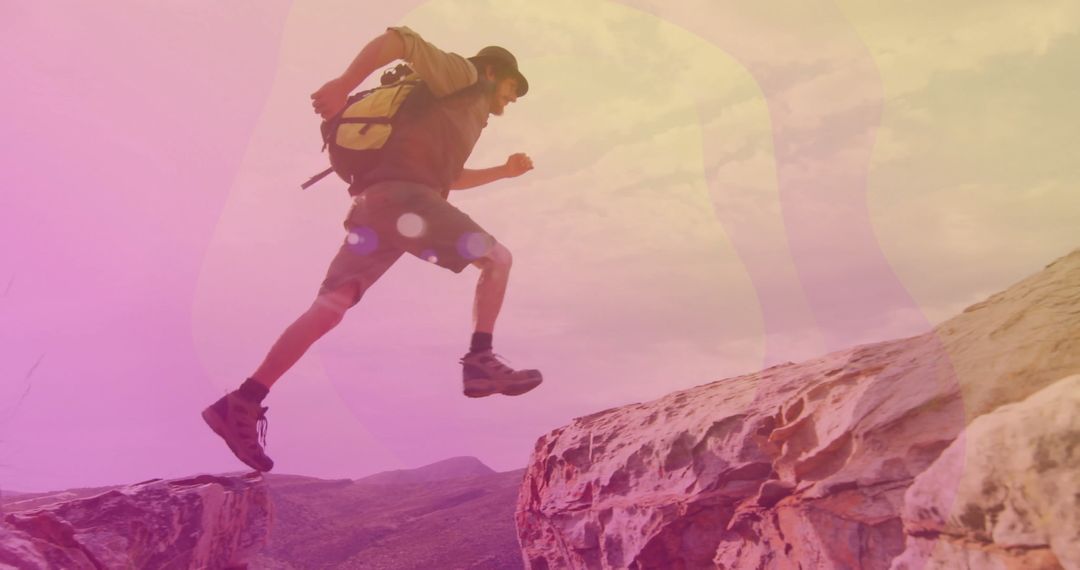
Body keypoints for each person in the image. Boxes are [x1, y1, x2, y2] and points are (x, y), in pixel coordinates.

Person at [201, 26, 543, 472]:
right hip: (406, 200)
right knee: (496, 259)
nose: (512, 99)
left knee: (330, 306)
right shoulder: (464, 75)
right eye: (514, 87)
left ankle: (243, 400)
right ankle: (480, 359)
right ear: (494, 71)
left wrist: (502, 171)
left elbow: (450, 178)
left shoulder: (457, 113)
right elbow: (401, 39)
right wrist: (343, 84)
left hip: (376, 206)